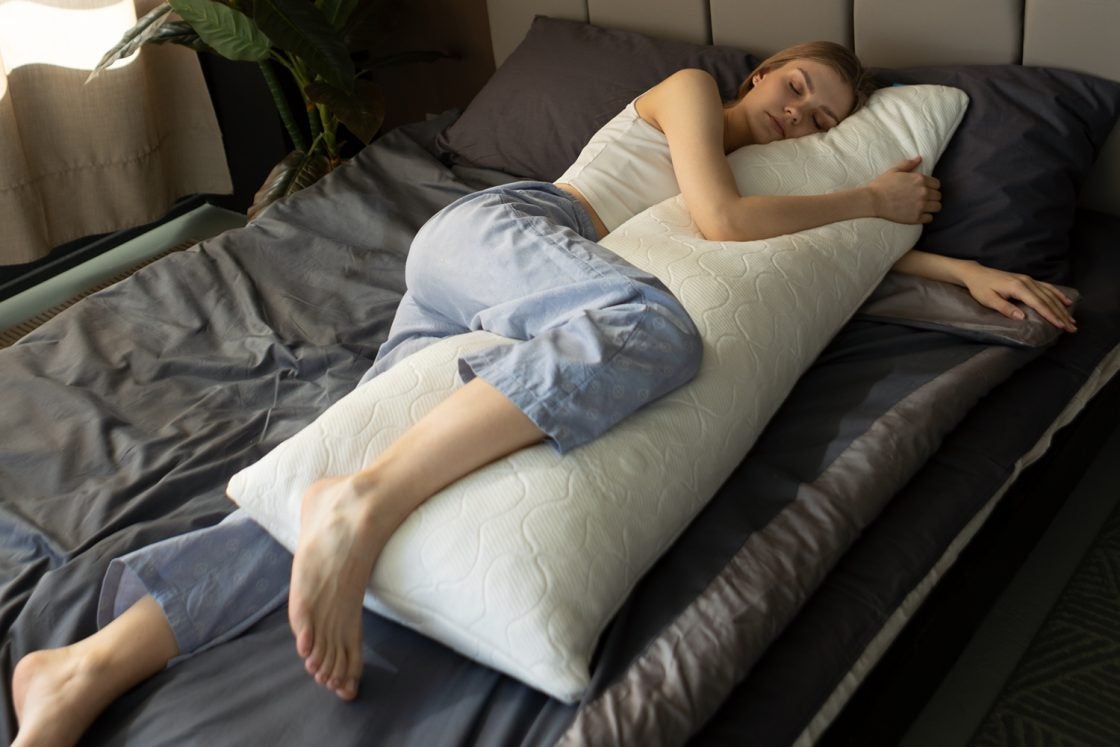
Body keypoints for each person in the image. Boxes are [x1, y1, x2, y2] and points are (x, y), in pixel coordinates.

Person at [10, 41, 1075, 747]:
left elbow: (806, 256)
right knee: (650, 330)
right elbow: (721, 223)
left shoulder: (765, 177)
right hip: (511, 232)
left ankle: (83, 667)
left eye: (821, 118)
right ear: (760, 70)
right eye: (797, 88)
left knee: (324, 465)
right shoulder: (691, 94)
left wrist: (960, 268)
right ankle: (366, 505)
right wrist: (871, 198)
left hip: (509, 299)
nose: (799, 116)